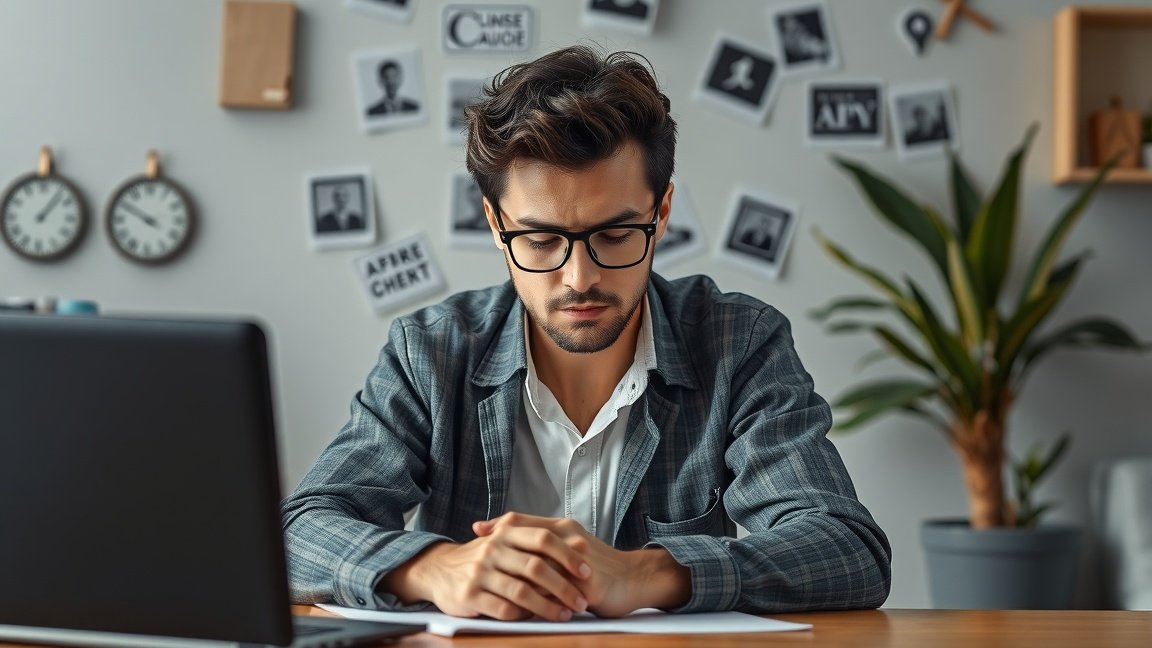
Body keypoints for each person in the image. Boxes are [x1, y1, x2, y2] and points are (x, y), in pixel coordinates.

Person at [282, 45, 891, 621]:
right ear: (496, 224)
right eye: (541, 240)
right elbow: (297, 532)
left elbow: (847, 550)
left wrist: (646, 574)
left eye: (616, 235)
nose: (580, 277)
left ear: (663, 212)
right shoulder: (431, 352)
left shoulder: (738, 343)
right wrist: (436, 567)